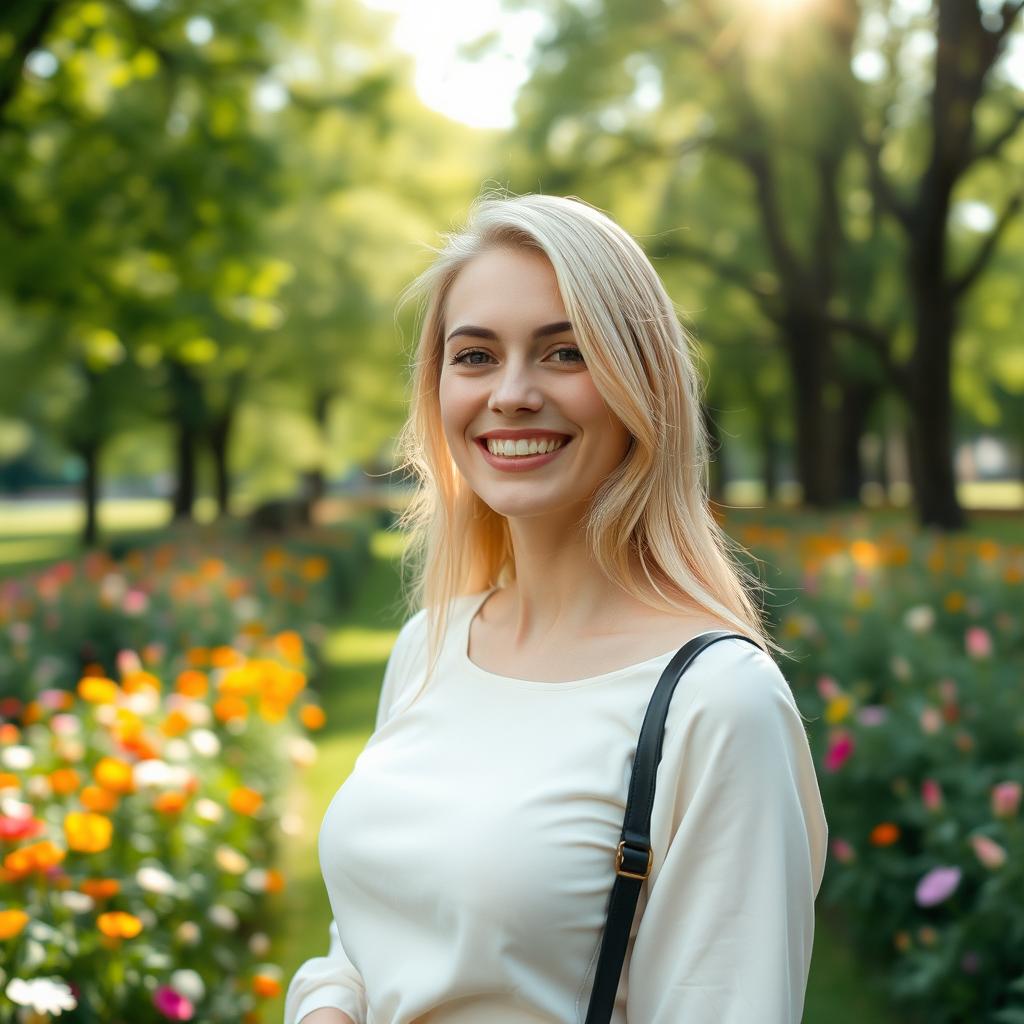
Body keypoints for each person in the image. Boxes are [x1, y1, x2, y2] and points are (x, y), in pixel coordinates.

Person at [283, 192, 828, 1024]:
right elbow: (365, 940)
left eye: (564, 353)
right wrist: (328, 1004)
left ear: (639, 388)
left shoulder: (716, 702)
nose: (511, 393)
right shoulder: (432, 647)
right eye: (473, 356)